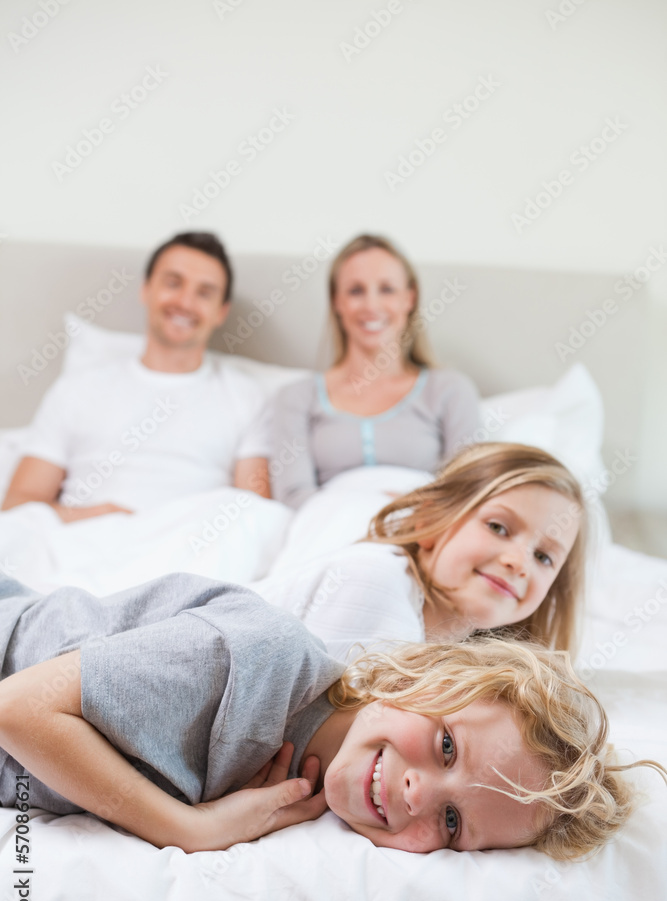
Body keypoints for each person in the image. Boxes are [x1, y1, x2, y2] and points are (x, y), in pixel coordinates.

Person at [0, 571, 662, 859]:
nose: (417, 792)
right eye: (447, 749)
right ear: (423, 678)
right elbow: (18, 709)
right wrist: (186, 829)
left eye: (452, 822)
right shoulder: (252, 662)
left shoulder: (304, 792)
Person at [2, 232, 271, 521]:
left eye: (204, 293)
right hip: (80, 543)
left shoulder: (248, 397)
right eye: (173, 283)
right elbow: (17, 507)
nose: (185, 302)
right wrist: (96, 517)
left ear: (221, 312)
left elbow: (253, 515)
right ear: (146, 289)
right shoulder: (79, 389)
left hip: (187, 549)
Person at [253, 442, 586, 661]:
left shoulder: (459, 659)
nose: (519, 563)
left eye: (543, 557)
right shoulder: (376, 582)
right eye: (498, 527)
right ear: (429, 519)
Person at [269, 234, 480, 508]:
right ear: (337, 302)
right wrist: (359, 515)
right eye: (356, 291)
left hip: (417, 536)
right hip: (328, 535)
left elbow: (468, 492)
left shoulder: (450, 390)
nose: (371, 306)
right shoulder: (296, 397)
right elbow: (293, 497)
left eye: (387, 289)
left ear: (409, 299)